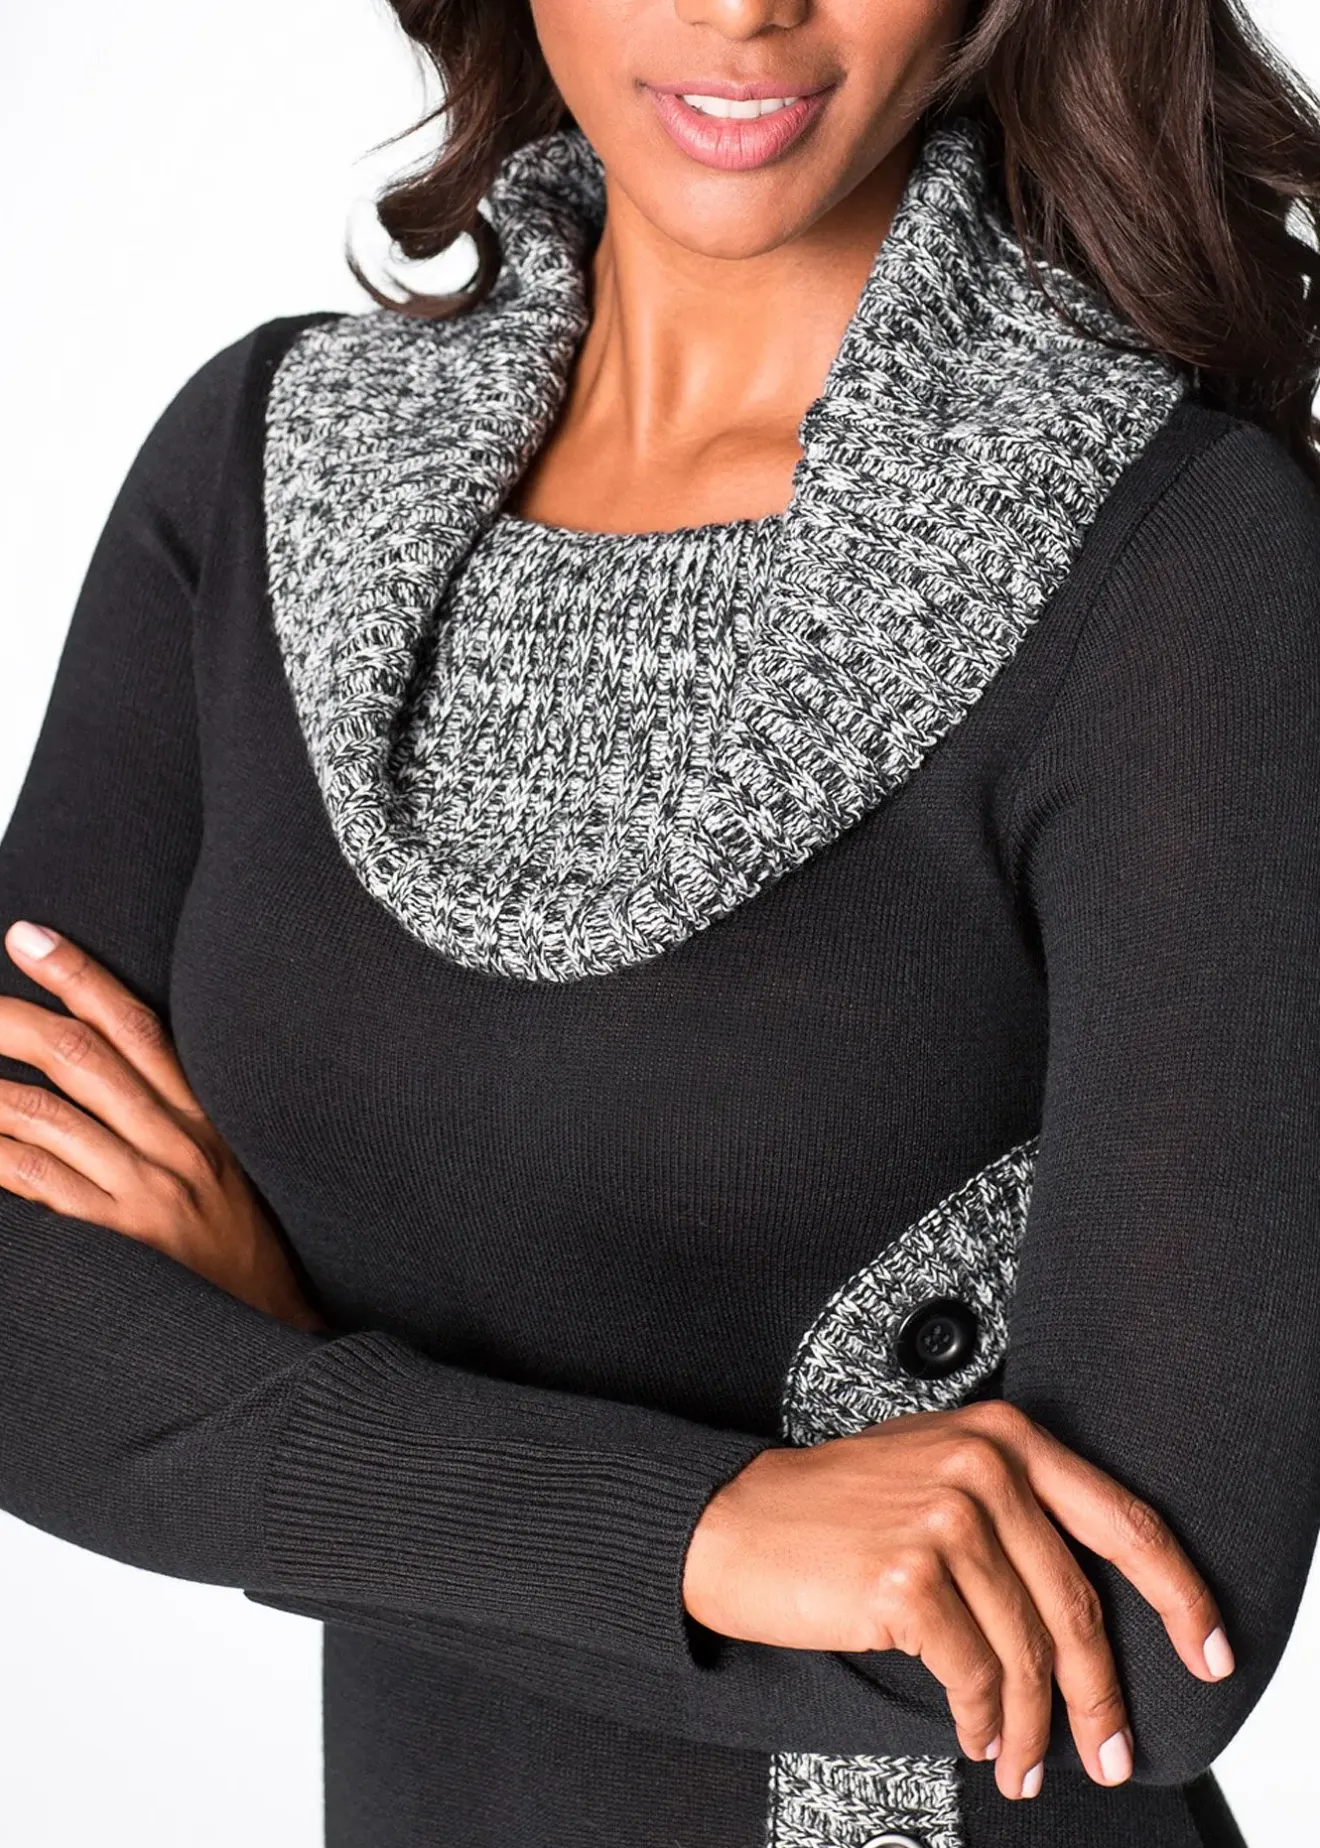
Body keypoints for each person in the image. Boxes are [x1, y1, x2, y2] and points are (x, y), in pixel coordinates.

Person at [1, 0, 1319, 1843]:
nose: (741, 7)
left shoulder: (1181, 561)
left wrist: (270, 1402)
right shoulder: (267, 467)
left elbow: (1144, 1648)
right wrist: (699, 1537)